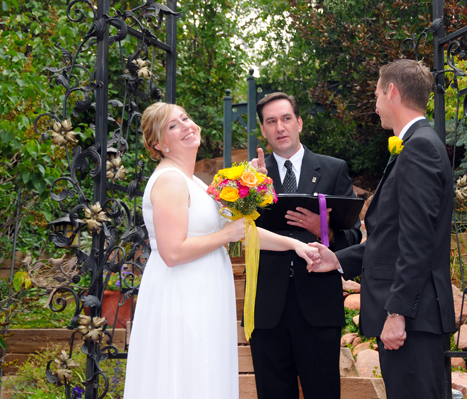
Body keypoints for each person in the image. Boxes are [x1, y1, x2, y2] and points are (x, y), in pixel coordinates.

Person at [123, 102, 320, 399]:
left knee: (204, 375)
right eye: (173, 126)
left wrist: (296, 245)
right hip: (182, 296)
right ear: (159, 144)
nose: (186, 126)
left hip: (204, 294)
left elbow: (243, 231)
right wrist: (225, 235)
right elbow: (172, 252)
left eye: (186, 118)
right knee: (184, 376)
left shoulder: (197, 183)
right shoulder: (169, 182)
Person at [308, 60, 456, 398]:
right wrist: (338, 259)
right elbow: (393, 235)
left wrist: (398, 312)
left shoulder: (419, 148)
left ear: (392, 91)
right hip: (415, 319)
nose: (375, 105)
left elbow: (417, 241)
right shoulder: (418, 144)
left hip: (414, 321)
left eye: (376, 93)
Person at [248, 92, 362, 399]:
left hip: (318, 307)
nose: (279, 127)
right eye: (271, 122)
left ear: (299, 122)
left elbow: (354, 236)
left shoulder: (333, 168)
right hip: (267, 308)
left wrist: (325, 231)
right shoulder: (251, 176)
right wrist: (250, 190)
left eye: (286, 119)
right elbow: (238, 235)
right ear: (263, 130)